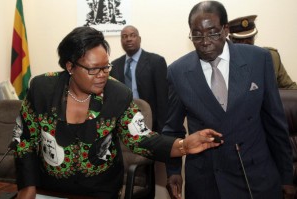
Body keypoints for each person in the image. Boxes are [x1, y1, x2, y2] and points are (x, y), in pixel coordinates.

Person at [13, 26, 223, 199]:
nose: (102, 75)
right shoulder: (42, 89)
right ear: (70, 66)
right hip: (48, 190)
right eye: (94, 69)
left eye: (106, 67)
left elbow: (142, 139)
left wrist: (183, 145)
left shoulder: (117, 94)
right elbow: (25, 141)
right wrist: (27, 186)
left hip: (100, 191)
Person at [163, 1, 295, 199]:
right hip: (207, 179)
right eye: (196, 34)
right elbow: (173, 129)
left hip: (255, 175)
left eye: (213, 32)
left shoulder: (258, 59)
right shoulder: (178, 71)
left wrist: (286, 175)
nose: (205, 41)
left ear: (225, 30)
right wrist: (173, 171)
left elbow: (275, 123)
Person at [110, 25, 168, 132]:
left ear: (139, 39)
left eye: (133, 35)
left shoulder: (156, 62)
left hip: (150, 120)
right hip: (123, 122)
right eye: (124, 36)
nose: (128, 39)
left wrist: (162, 129)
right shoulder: (114, 65)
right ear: (121, 41)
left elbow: (162, 98)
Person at [228, 15, 297, 89]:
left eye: (249, 40)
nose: (246, 46)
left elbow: (290, 88)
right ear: (231, 39)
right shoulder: (222, 62)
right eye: (240, 41)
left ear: (254, 38)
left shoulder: (271, 57)